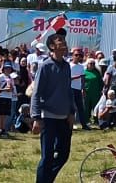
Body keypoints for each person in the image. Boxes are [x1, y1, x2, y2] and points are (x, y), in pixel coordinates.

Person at [31, 31, 76, 183]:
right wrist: (36, 118)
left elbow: (69, 90)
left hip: (64, 118)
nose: (63, 42)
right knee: (47, 157)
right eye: (59, 40)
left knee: (63, 155)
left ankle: (46, 180)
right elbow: (36, 93)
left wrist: (72, 112)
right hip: (48, 117)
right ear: (51, 46)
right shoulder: (45, 66)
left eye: (64, 40)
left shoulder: (67, 66)